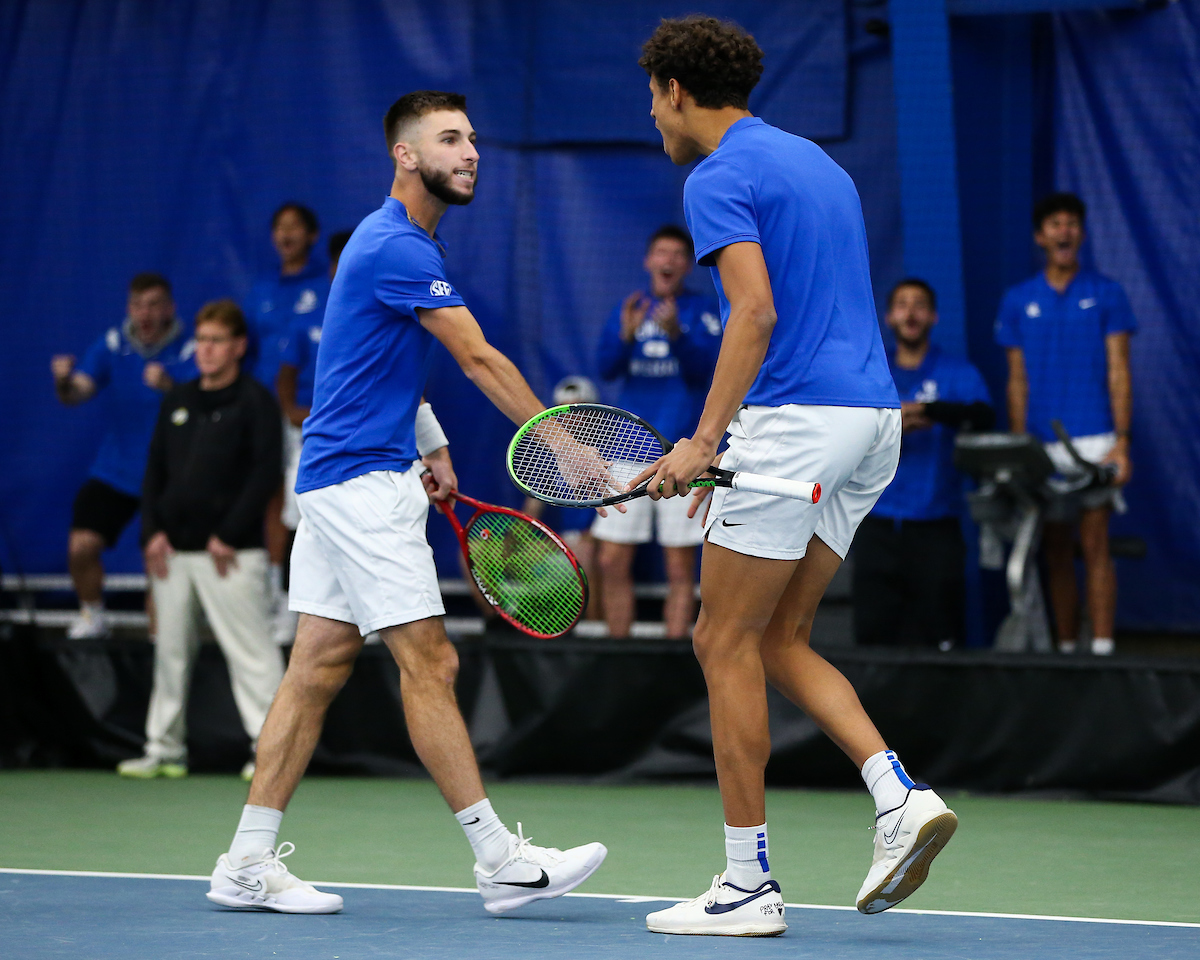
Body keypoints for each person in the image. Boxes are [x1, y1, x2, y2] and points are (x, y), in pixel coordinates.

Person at [206, 90, 605, 916]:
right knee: (432, 661)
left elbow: (365, 367)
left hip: (337, 476)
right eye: (450, 139)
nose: (471, 153)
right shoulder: (395, 245)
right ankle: (499, 859)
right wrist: (558, 439)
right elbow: (479, 358)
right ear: (405, 154)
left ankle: (244, 863)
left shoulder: (402, 246)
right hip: (359, 486)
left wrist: (428, 443)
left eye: (473, 140)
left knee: (314, 669)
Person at [630, 17, 957, 936]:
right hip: (872, 420)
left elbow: (757, 313)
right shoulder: (819, 163)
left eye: (653, 93)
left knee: (719, 640)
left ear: (678, 92)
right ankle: (897, 796)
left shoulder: (717, 175)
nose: (651, 111)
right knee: (779, 638)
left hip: (798, 423)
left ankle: (746, 887)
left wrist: (705, 441)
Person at [121, 300, 284, 780]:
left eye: (216, 340)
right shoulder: (178, 400)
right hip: (173, 554)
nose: (206, 350)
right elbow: (154, 471)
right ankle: (164, 749)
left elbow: (264, 475)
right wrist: (152, 533)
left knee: (252, 655)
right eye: (202, 339)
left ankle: (270, 753)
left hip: (231, 556)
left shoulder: (256, 402)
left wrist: (228, 534)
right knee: (169, 653)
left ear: (238, 346)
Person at [996, 192, 1135, 656]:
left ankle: (1102, 649)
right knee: (1054, 547)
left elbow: (1119, 369)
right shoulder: (1018, 299)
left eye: (1072, 222)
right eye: (1055, 223)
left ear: (1081, 233)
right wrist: (1020, 447)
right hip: (1040, 446)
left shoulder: (1108, 293)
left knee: (1095, 542)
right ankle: (1067, 648)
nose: (1064, 230)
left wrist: (1122, 443)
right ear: (1041, 237)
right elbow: (1016, 379)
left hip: (1096, 441)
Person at [50, 273, 195, 639]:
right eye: (137, 304)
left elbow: (206, 406)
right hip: (115, 471)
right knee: (81, 545)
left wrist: (171, 388)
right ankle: (92, 614)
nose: (144, 313)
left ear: (170, 308)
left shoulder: (193, 349)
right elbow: (76, 393)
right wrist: (64, 381)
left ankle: (159, 644)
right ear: (129, 308)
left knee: (158, 565)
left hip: (168, 477)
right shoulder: (112, 344)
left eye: (154, 304)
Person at [593, 226, 721, 639]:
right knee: (612, 560)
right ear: (649, 260)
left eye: (676, 254)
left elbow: (710, 372)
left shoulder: (703, 311)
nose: (667, 261)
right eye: (660, 253)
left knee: (679, 566)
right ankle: (617, 659)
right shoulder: (628, 307)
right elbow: (606, 368)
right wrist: (625, 337)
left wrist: (676, 338)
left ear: (687, 264)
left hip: (680, 451)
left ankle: (672, 661)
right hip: (627, 447)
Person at [853, 279, 993, 650]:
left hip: (935, 525)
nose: (910, 312)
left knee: (940, 633)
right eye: (902, 304)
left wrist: (928, 410)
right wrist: (894, 421)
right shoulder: (870, 371)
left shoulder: (956, 372)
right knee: (873, 635)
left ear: (933, 316)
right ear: (888, 316)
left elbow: (983, 415)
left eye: (919, 305)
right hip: (873, 523)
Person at [245, 202, 332, 633]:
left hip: (324, 420)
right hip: (270, 416)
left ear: (312, 235)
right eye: (279, 227)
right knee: (275, 502)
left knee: (314, 504)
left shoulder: (328, 287)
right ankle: (279, 598)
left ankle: (322, 603)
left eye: (295, 227)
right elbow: (254, 353)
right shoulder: (260, 289)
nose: (286, 234)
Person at [274, 230, 353, 641]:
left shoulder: (389, 309)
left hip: (365, 441)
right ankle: (291, 607)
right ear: (331, 267)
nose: (345, 271)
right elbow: (286, 373)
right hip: (312, 436)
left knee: (362, 522)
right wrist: (293, 413)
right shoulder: (310, 313)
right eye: (339, 264)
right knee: (298, 518)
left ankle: (366, 611)